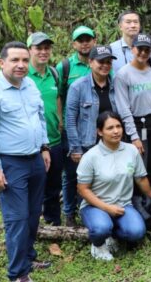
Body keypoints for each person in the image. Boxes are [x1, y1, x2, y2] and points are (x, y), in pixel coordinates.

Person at [0, 41, 52, 282]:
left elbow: (39, 118)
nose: (21, 65)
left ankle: (27, 256)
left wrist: (44, 146)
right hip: (10, 163)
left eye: (24, 60)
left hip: (35, 159)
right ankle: (18, 274)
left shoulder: (29, 85)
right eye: (15, 60)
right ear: (2, 63)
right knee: (16, 219)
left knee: (32, 214)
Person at [77, 111, 151, 261]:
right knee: (100, 228)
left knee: (137, 232)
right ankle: (98, 244)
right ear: (100, 132)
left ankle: (112, 235)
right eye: (110, 128)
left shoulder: (131, 150)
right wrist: (107, 208)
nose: (116, 131)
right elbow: (82, 189)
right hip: (95, 206)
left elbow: (140, 178)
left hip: (123, 205)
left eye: (118, 126)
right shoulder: (91, 156)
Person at [64, 45, 118, 226]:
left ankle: (101, 214)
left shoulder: (116, 85)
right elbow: (70, 119)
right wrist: (75, 147)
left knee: (103, 179)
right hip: (86, 143)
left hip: (109, 144)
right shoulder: (78, 87)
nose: (105, 65)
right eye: (101, 61)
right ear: (91, 62)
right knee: (77, 179)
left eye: (108, 62)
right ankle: (71, 214)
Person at [114, 33, 151, 192]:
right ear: (132, 49)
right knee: (138, 167)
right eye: (140, 49)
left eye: (147, 49)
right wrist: (134, 136)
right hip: (137, 125)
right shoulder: (123, 74)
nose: (143, 53)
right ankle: (137, 204)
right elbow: (123, 108)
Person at [57, 25, 97, 227]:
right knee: (71, 174)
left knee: (91, 173)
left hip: (94, 129)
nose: (84, 43)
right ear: (74, 44)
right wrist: (61, 121)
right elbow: (57, 95)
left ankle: (86, 210)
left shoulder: (100, 62)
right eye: (80, 40)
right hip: (71, 130)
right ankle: (69, 214)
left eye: (88, 39)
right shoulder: (64, 67)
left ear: (94, 41)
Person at [26, 33, 63, 226]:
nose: (43, 52)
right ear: (30, 50)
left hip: (54, 140)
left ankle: (53, 223)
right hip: (33, 145)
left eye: (47, 48)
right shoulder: (23, 75)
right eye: (38, 48)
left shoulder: (54, 74)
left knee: (54, 186)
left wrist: (60, 120)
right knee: (35, 187)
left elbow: (57, 98)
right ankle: (32, 225)